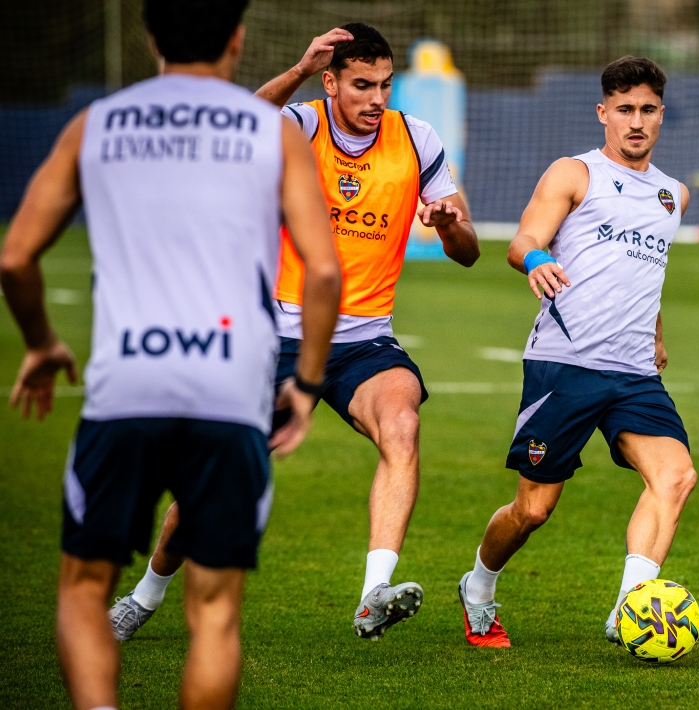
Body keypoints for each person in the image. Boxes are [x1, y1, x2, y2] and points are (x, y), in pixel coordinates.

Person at [0, 0, 342, 706]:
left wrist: (41, 342)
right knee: (215, 612)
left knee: (83, 586)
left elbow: (14, 259)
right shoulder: (270, 134)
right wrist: (306, 384)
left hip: (126, 389)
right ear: (239, 38)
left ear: (151, 35)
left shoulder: (97, 124)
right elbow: (325, 271)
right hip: (230, 394)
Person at [108, 23, 480, 642]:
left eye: (385, 85)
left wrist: (447, 225)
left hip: (364, 338)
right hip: (273, 332)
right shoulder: (300, 124)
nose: (377, 98)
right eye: (362, 85)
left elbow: (467, 252)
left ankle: (373, 595)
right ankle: (146, 594)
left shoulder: (417, 137)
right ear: (332, 81)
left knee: (403, 424)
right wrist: (299, 69)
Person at [455, 56, 699, 649]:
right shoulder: (575, 173)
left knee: (675, 476)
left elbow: (647, 269)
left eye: (647, 110)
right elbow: (524, 239)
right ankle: (479, 586)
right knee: (533, 510)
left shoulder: (674, 194)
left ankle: (630, 608)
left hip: (634, 373)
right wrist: (537, 258)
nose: (636, 122)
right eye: (624, 110)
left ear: (661, 115)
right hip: (564, 365)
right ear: (603, 114)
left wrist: (655, 331)